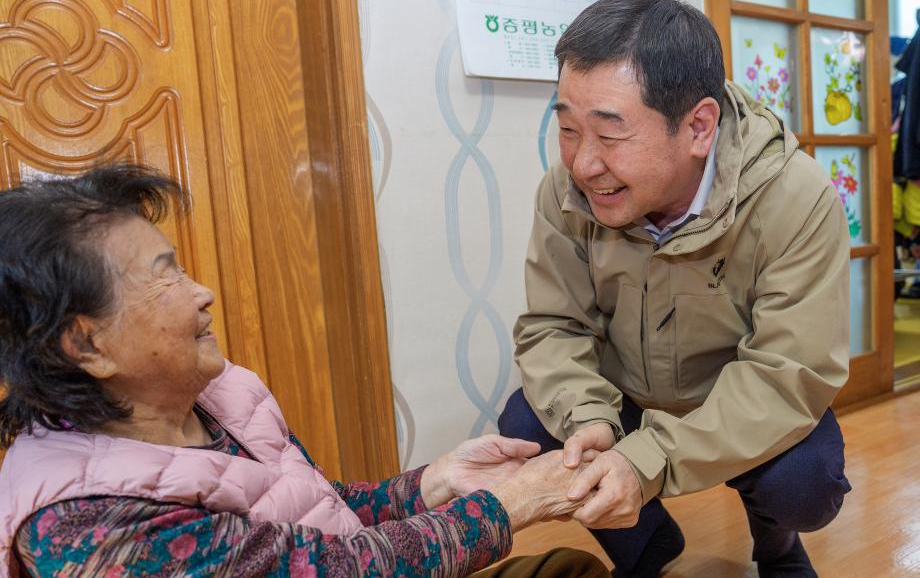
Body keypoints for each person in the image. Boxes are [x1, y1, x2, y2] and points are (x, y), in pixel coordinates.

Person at [0, 165, 609, 578]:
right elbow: (340, 568)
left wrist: (436, 481)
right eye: (165, 278)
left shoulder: (214, 398)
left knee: (567, 567)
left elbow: (313, 520)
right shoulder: (87, 525)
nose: (203, 293)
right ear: (87, 344)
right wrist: (511, 504)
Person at [498, 0, 852, 578]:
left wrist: (648, 460)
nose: (583, 164)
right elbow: (555, 326)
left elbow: (785, 374)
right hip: (627, 395)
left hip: (738, 400)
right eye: (568, 129)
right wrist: (589, 418)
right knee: (528, 425)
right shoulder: (565, 193)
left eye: (610, 135)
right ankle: (646, 545)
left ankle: (778, 546)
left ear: (698, 127)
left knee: (803, 481)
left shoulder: (797, 198)